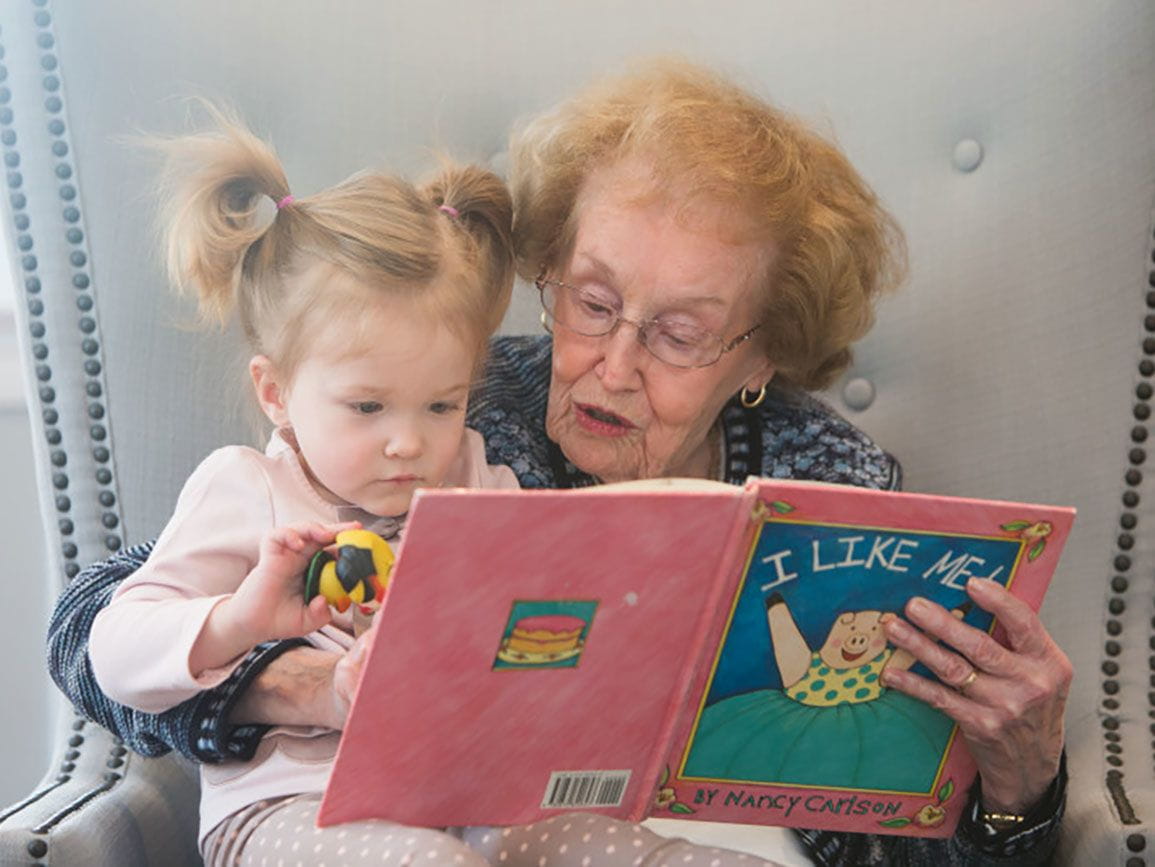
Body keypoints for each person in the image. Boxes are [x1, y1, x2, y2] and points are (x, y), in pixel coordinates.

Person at [48, 60, 1071, 866]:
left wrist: (1015, 790)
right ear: (544, 273)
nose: (613, 366)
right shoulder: (445, 404)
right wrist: (310, 687)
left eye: (678, 333)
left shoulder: (839, 487)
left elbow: (887, 835)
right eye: (590, 301)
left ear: (762, 352)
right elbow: (91, 632)